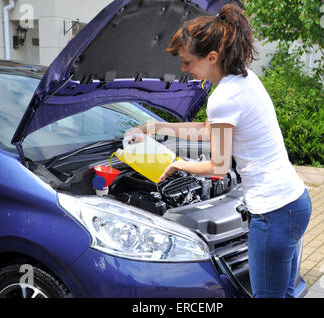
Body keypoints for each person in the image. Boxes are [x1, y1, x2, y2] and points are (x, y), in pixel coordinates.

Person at [126, 3, 312, 298]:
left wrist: (177, 165)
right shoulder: (243, 80)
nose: (184, 69)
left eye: (187, 62)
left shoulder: (224, 96)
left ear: (211, 57)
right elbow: (206, 129)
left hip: (273, 211)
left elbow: (218, 166)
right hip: (293, 202)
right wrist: (156, 127)